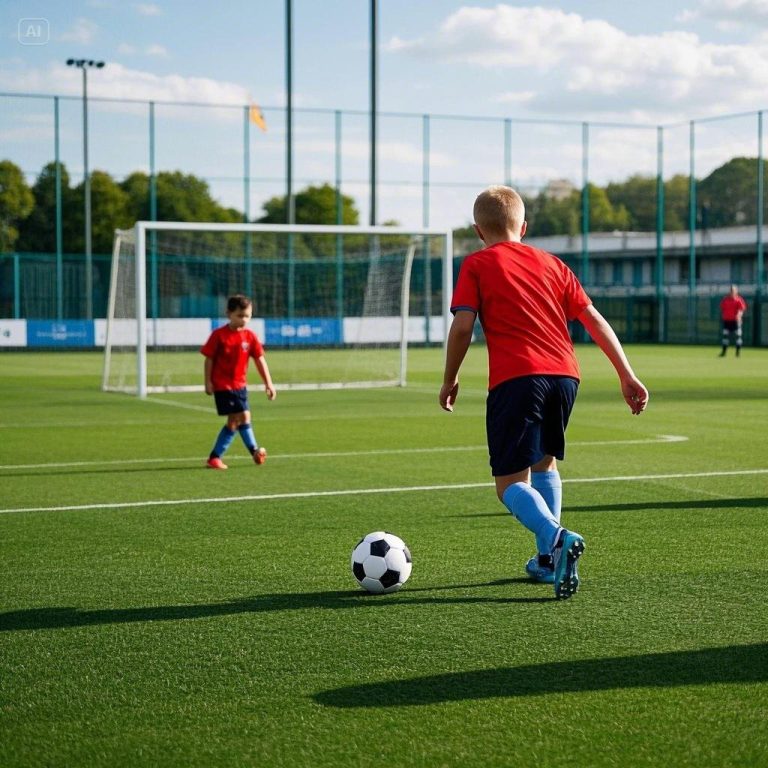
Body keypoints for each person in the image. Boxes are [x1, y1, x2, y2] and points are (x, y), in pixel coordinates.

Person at [439, 186, 648, 600]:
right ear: (525, 226)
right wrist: (627, 373)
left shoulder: (478, 264)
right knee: (544, 465)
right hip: (565, 377)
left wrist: (450, 378)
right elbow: (593, 319)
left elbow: (463, 327)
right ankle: (549, 561)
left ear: (479, 231)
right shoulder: (553, 263)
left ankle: (556, 538)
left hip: (517, 378)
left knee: (508, 484)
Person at [201, 294, 276, 469]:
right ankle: (253, 451)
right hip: (223, 385)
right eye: (240, 316)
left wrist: (269, 383)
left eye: (247, 316)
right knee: (240, 417)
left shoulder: (250, 337)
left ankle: (216, 457)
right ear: (229, 314)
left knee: (235, 421)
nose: (244, 320)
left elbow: (260, 360)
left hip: (240, 386)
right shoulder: (219, 335)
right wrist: (208, 382)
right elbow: (209, 359)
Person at [719, 285, 747, 357]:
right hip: (727, 321)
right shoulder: (725, 299)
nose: (732, 292)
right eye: (731, 290)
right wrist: (724, 315)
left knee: (738, 336)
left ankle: (738, 353)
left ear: (736, 291)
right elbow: (722, 308)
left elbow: (741, 309)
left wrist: (739, 315)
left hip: (736, 321)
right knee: (725, 336)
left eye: (733, 290)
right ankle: (723, 352)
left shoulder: (739, 300)